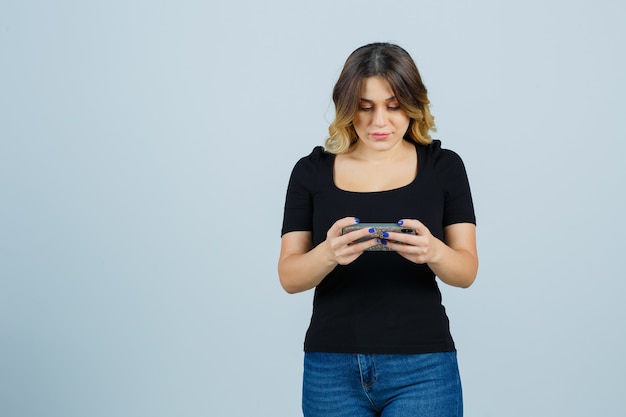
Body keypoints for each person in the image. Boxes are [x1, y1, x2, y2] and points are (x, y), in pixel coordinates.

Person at [278, 42, 478, 417]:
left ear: (413, 103)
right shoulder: (311, 171)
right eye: (364, 107)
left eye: (393, 105)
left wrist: (434, 252)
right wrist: (328, 254)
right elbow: (289, 276)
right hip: (330, 369)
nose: (379, 122)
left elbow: (466, 271)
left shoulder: (444, 167)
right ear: (346, 106)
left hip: (424, 368)